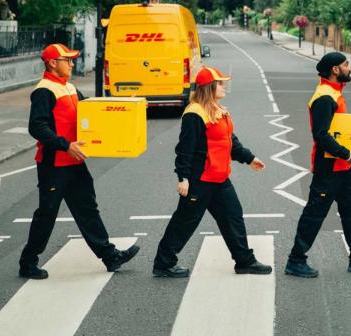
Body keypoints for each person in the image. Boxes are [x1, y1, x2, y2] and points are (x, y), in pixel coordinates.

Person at [19, 43, 140, 279]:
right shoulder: (44, 91)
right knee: (47, 214)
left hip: (74, 162)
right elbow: (37, 127)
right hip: (54, 164)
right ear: (53, 63)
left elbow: (90, 112)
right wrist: (66, 145)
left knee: (87, 209)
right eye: (68, 60)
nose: (72, 63)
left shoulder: (70, 87)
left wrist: (123, 107)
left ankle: (109, 255)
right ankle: (27, 262)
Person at [152, 66, 272, 278]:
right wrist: (183, 178)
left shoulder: (218, 110)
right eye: (220, 83)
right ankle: (163, 264)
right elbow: (184, 149)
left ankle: (244, 261)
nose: (224, 86)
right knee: (184, 222)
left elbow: (229, 141)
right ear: (209, 87)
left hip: (219, 178)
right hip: (200, 179)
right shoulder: (195, 114)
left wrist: (250, 158)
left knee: (233, 216)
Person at [285, 52, 351, 278]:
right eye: (346, 64)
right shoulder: (324, 97)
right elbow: (321, 136)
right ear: (334, 69)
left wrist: (348, 155)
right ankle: (296, 260)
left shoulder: (334, 93)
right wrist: (347, 153)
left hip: (343, 167)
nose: (349, 68)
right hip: (329, 167)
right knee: (315, 213)